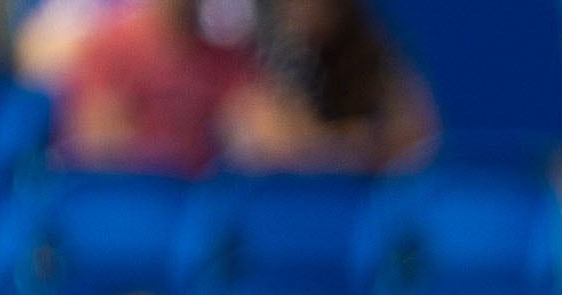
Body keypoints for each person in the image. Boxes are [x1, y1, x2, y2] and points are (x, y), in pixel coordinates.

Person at [226, 0, 439, 171]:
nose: (308, 7)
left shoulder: (376, 63)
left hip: (367, 212)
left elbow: (417, 139)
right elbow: (261, 139)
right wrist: (344, 144)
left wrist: (363, 145)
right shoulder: (261, 63)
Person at [55, 0, 259, 172]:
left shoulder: (228, 59)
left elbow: (253, 146)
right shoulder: (111, 47)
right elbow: (97, 150)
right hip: (137, 196)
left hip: (200, 198)